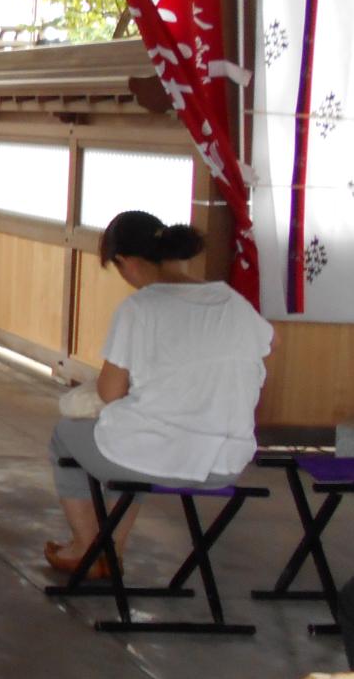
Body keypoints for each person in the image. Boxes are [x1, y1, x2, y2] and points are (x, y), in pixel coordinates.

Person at [43, 211, 274, 573]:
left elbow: (110, 392)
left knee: (69, 437)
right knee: (129, 435)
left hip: (157, 456)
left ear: (126, 262)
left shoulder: (141, 307)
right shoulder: (234, 303)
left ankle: (88, 548)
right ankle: (112, 549)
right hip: (227, 461)